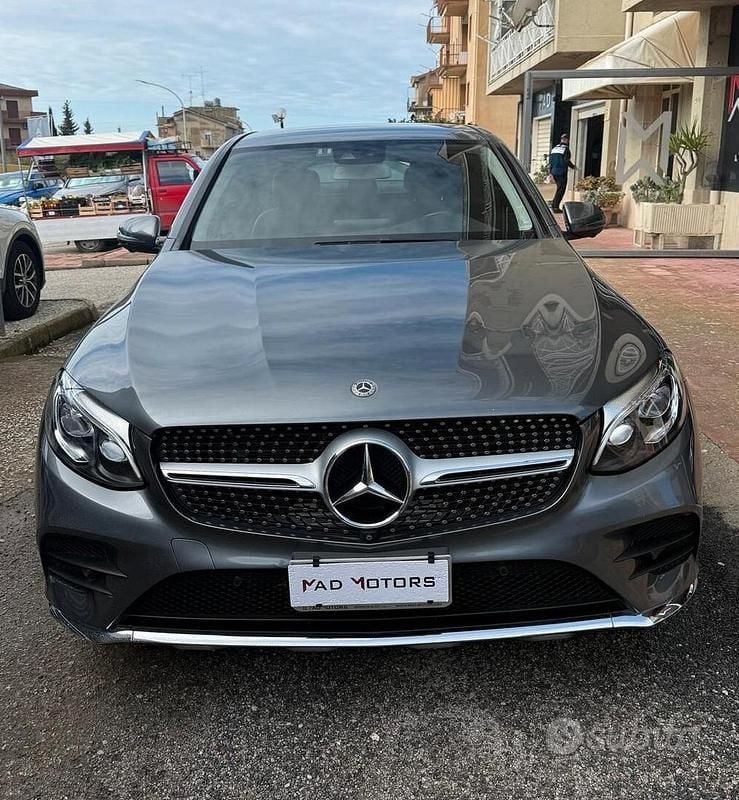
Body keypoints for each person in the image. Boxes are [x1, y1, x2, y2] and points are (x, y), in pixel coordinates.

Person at [548, 133, 577, 213]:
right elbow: (566, 160)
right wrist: (573, 167)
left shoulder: (554, 149)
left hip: (554, 172)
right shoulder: (566, 149)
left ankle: (554, 205)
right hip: (562, 172)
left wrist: (550, 172)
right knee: (561, 190)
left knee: (558, 189)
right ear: (567, 140)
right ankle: (555, 207)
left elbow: (550, 161)